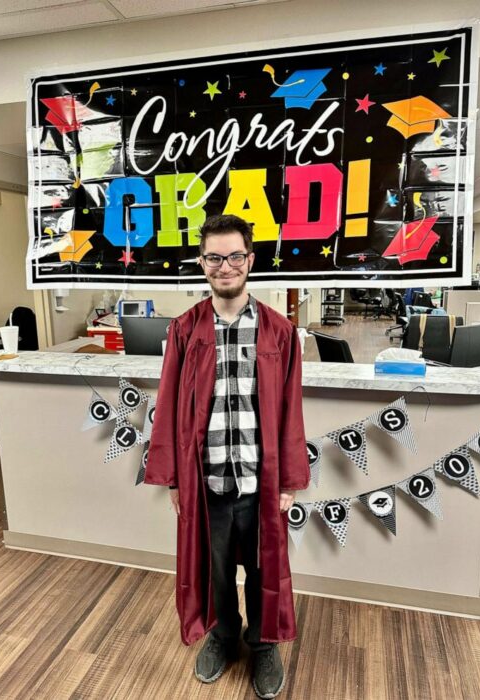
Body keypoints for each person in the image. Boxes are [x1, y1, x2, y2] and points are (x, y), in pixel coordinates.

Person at [145, 213, 310, 699]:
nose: (225, 265)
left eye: (235, 255)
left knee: (263, 567)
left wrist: (288, 483)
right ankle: (222, 636)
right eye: (214, 257)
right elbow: (170, 403)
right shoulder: (184, 329)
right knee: (213, 568)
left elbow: (291, 411)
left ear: (250, 260)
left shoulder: (280, 332)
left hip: (262, 482)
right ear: (202, 263)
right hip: (207, 478)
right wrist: (175, 480)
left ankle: (262, 646)